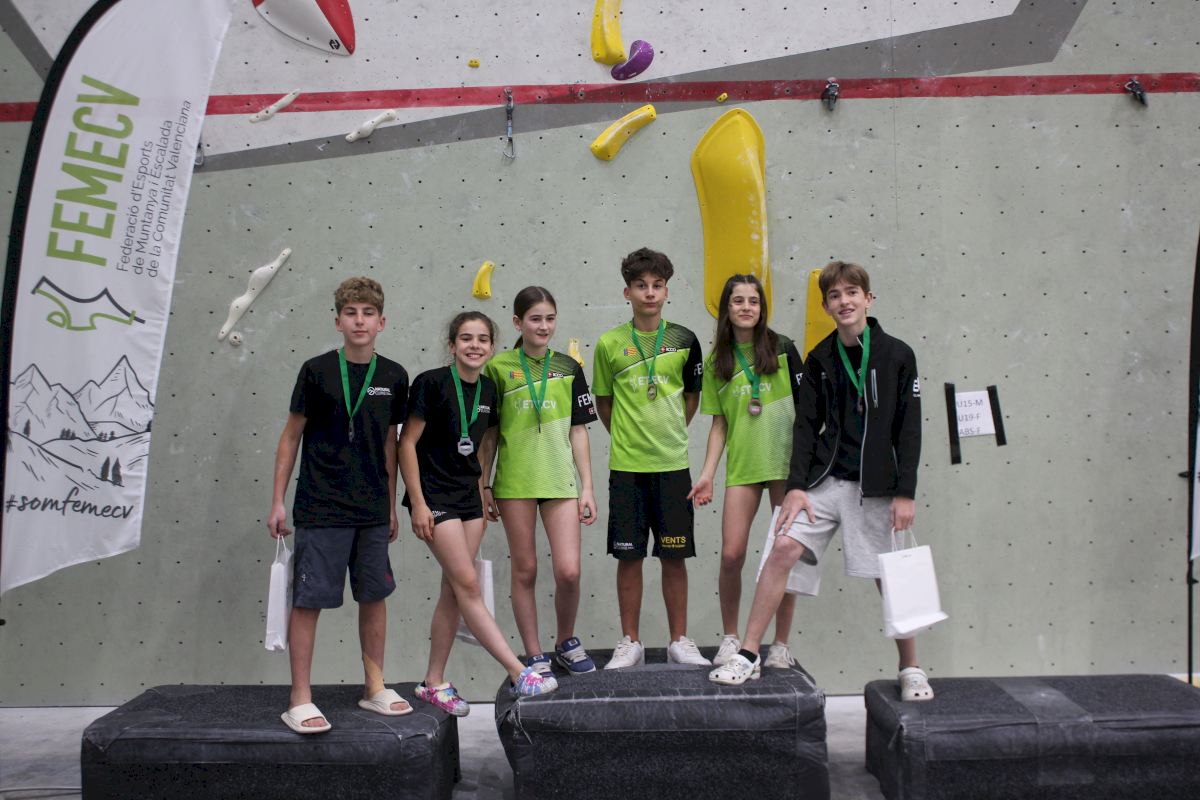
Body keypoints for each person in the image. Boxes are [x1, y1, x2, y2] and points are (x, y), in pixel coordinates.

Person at [708, 261, 932, 701]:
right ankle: (748, 653)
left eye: (852, 293)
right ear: (826, 306)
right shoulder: (820, 359)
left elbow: (909, 429)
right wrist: (796, 487)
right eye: (834, 295)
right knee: (782, 548)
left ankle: (911, 667)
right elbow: (806, 427)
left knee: (891, 575)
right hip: (825, 481)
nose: (844, 301)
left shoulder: (898, 355)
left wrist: (906, 492)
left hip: (877, 485)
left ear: (868, 299)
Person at [268, 277, 411, 734]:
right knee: (308, 600)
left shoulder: (394, 376)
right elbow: (291, 436)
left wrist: (391, 506)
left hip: (371, 508)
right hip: (320, 505)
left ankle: (374, 687)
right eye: (351, 313)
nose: (359, 321)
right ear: (338, 322)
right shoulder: (316, 371)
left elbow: (391, 444)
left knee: (374, 596)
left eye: (368, 313)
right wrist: (277, 501)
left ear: (382, 322)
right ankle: (300, 698)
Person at [398, 311, 557, 715]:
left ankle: (433, 682)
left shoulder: (488, 389)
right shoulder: (431, 383)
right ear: (452, 345)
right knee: (467, 585)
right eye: (466, 338)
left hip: (469, 498)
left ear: (492, 346)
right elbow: (406, 444)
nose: (474, 346)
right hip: (435, 497)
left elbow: (485, 442)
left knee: (453, 590)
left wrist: (484, 487)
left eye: (483, 339)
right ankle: (518, 671)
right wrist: (417, 501)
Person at [592, 247, 708, 668]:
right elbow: (604, 403)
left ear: (667, 291)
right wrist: (629, 437)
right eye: (641, 286)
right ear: (628, 292)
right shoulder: (609, 343)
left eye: (658, 285)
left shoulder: (685, 340)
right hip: (626, 468)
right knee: (629, 556)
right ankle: (631, 642)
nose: (650, 293)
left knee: (675, 556)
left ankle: (679, 641)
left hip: (673, 466)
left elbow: (692, 399)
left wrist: (669, 433)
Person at [687, 274, 802, 669]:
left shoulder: (782, 348)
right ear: (726, 308)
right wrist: (707, 473)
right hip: (744, 467)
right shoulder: (716, 361)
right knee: (732, 555)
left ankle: (780, 644)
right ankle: (731, 637)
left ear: (762, 307)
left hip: (786, 467)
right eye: (738, 300)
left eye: (753, 301)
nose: (746, 307)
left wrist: (807, 467)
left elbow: (807, 407)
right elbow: (719, 424)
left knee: (783, 554)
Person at [482, 287, 599, 676]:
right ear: (518, 323)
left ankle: (566, 642)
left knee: (569, 571)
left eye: (550, 318)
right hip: (514, 483)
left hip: (560, 482)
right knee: (526, 570)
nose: (544, 326)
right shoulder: (498, 368)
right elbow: (489, 434)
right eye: (535, 319)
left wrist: (587, 486)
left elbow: (579, 430)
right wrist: (484, 484)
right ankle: (534, 655)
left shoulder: (568, 367)